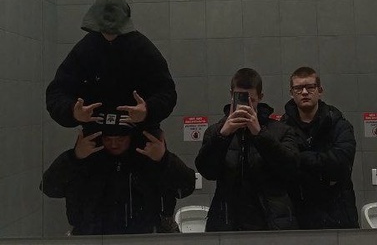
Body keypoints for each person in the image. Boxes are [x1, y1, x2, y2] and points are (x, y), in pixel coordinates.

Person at [41, 112, 196, 235]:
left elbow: (186, 187)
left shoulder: (147, 160)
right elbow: (49, 188)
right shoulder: (87, 162)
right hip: (93, 235)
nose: (114, 144)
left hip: (144, 235)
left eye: (121, 138)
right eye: (108, 139)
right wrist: (74, 157)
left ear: (131, 137)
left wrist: (164, 159)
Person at [46, 0, 176, 130]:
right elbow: (57, 92)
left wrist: (148, 110)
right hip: (98, 137)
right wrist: (72, 111)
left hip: (137, 136)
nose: (110, 33)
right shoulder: (85, 50)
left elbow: (166, 92)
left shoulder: (142, 50)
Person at [195, 68, 299, 231]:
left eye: (251, 100)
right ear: (231, 95)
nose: (245, 106)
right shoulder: (216, 132)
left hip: (271, 223)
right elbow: (208, 172)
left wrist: (260, 134)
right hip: (227, 222)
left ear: (260, 97)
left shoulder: (281, 131)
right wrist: (223, 135)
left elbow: (291, 169)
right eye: (241, 100)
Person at [282, 66, 359, 229]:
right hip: (298, 215)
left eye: (310, 87)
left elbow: (342, 164)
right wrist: (323, 165)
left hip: (337, 215)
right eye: (298, 88)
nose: (304, 92)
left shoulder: (339, 124)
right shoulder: (283, 128)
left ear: (320, 90)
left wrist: (300, 158)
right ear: (291, 93)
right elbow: (283, 168)